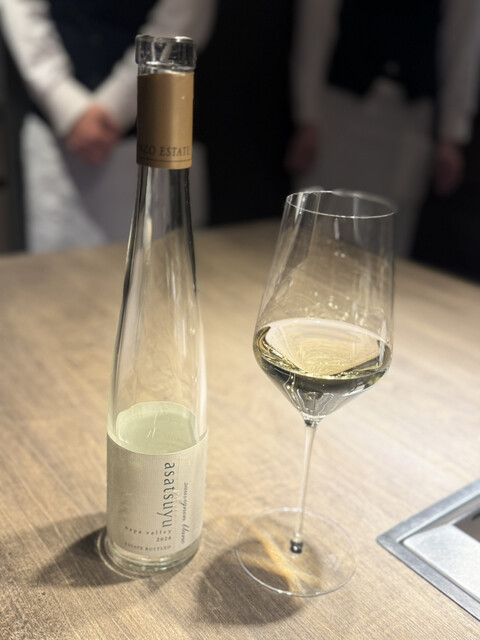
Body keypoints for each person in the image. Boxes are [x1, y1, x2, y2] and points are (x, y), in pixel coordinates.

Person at [0, 0, 216, 252]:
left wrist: (118, 105)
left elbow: (184, 15)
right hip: (55, 139)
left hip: (149, 127)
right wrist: (65, 103)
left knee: (158, 256)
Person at [287, 0, 480, 256]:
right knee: (317, 229)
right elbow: (316, 22)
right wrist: (307, 114)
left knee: (387, 239)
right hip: (340, 105)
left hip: (410, 117)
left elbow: (462, 41)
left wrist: (452, 134)